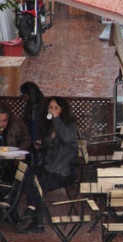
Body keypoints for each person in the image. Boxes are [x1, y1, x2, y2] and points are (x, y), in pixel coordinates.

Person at [21, 97, 79, 233]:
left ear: (62, 110)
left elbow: (67, 138)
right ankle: (34, 213)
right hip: (48, 169)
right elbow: (48, 150)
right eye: (50, 107)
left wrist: (56, 119)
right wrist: (39, 146)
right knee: (29, 176)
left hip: (63, 172)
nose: (52, 110)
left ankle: (35, 217)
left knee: (37, 183)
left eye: (56, 108)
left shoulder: (69, 126)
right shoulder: (48, 127)